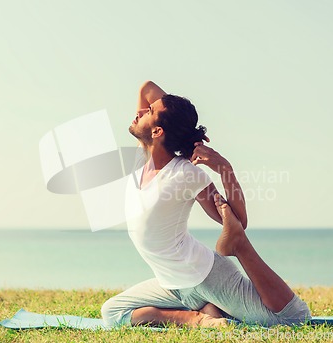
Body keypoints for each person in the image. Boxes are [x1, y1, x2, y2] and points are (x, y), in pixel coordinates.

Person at [101, 81, 311, 328]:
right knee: (112, 313)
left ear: (157, 132)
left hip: (203, 276)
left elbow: (237, 221)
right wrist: (182, 127)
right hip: (172, 284)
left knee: (293, 320)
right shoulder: (142, 158)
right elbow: (146, 88)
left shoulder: (184, 173)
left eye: (148, 112)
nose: (140, 111)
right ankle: (196, 316)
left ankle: (222, 279)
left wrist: (225, 169)